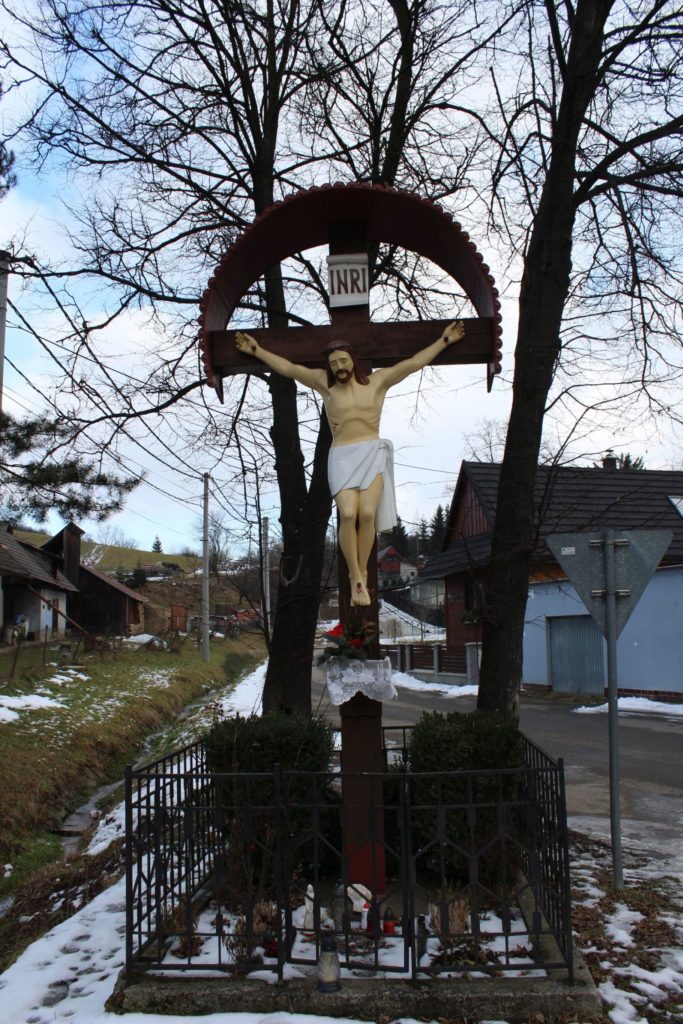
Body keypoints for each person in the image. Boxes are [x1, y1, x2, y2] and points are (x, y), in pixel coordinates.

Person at [236, 320, 465, 605]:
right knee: (347, 514)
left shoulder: (378, 382)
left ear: (353, 361)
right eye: (334, 363)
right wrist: (257, 350)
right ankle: (355, 576)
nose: (339, 367)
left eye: (343, 361)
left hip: (372, 453)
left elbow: (413, 363)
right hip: (342, 456)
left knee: (367, 514)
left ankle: (364, 577)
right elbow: (290, 369)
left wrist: (444, 341)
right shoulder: (325, 385)